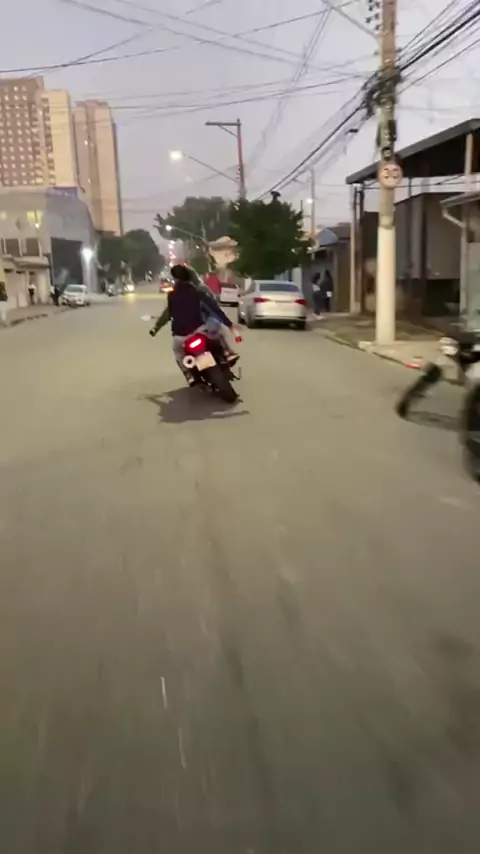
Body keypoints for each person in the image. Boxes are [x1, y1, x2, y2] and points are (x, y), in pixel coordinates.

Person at [149, 264, 238, 380]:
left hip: (180, 335)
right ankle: (226, 354)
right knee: (216, 334)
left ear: (175, 278)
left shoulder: (172, 294)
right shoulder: (199, 290)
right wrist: (229, 324)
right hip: (200, 327)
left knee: (178, 352)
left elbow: (169, 313)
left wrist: (156, 327)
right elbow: (214, 307)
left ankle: (189, 375)